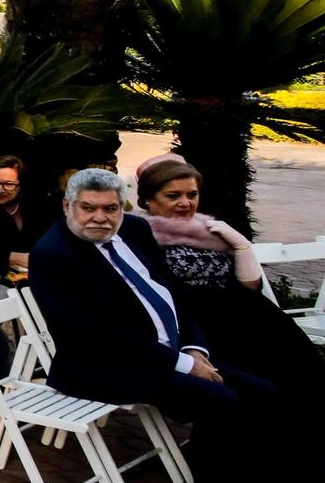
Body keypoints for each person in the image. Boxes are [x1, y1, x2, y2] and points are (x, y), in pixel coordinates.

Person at [30, 169, 325, 483]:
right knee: (226, 402)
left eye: (110, 208)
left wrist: (194, 347)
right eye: (88, 208)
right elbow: (97, 337)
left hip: (169, 352)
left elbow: (174, 293)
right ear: (68, 207)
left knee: (266, 393)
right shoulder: (52, 255)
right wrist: (184, 364)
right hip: (104, 366)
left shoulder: (133, 230)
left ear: (123, 207)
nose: (100, 217)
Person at [135, 154, 320, 390]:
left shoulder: (211, 230)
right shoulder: (139, 236)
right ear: (148, 200)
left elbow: (250, 285)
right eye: (173, 196)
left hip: (252, 317)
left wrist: (242, 246)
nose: (186, 203)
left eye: (192, 195)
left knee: (304, 373)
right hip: (202, 328)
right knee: (259, 386)